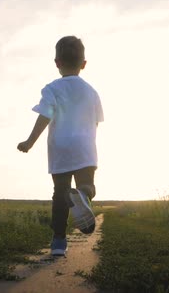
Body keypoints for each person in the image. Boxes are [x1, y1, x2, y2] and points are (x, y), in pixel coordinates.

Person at [17, 36, 104, 256]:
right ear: (84, 64)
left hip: (61, 149)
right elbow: (96, 122)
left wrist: (29, 142)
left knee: (60, 194)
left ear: (56, 62)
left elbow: (45, 115)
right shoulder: (92, 92)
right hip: (85, 149)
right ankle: (83, 195)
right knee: (87, 185)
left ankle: (58, 242)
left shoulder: (52, 89)